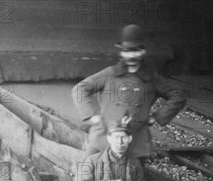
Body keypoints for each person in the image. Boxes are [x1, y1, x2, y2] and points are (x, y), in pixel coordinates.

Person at [72, 24, 187, 161]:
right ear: (121, 53)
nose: (131, 56)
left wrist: (157, 116)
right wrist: (93, 115)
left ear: (143, 51)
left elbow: (177, 96)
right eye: (127, 51)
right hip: (103, 137)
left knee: (132, 179)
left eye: (136, 51)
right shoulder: (110, 74)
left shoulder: (151, 78)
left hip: (135, 142)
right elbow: (80, 89)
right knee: (87, 173)